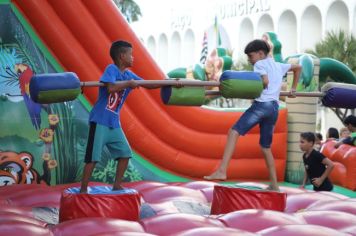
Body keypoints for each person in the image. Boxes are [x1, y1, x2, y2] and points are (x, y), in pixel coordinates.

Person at [204, 39, 301, 191]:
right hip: (274, 108)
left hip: (262, 105)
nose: (249, 60)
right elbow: (298, 67)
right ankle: (275, 186)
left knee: (233, 132)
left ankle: (222, 170)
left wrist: (250, 87)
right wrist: (293, 89)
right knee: (265, 147)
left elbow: (265, 81)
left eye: (251, 56)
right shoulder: (279, 65)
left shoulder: (260, 64)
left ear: (261, 53)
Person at [80, 40, 161, 193]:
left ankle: (116, 185)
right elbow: (110, 87)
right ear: (122, 56)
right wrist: (128, 83)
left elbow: (147, 84)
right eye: (131, 54)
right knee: (93, 157)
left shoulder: (129, 74)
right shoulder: (112, 69)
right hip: (99, 120)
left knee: (125, 154)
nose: (133, 58)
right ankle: (83, 190)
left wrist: (167, 83)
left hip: (113, 123)